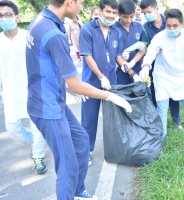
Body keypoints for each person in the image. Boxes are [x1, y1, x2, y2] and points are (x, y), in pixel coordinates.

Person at [26, 0, 132, 199]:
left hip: (53, 99)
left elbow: (42, 64)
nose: (82, 7)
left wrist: (64, 85)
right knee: (67, 162)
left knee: (81, 140)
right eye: (81, 3)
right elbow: (76, 83)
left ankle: (77, 191)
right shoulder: (54, 33)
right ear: (69, 2)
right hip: (47, 108)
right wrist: (111, 96)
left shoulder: (41, 20)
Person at [140, 8, 184, 138]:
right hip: (163, 77)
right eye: (168, 26)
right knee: (162, 108)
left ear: (182, 24)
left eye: (175, 26)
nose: (171, 29)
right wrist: (145, 67)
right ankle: (162, 137)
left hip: (182, 76)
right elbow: (150, 55)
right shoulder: (159, 37)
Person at [0, 0, 48, 175]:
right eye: (0, 16)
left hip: (32, 90)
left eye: (7, 14)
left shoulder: (28, 37)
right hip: (10, 93)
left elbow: (41, 62)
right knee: (12, 126)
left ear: (17, 17)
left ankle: (38, 155)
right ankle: (36, 143)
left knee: (37, 125)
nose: (4, 18)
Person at [79, 0, 125, 167]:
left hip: (111, 83)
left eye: (114, 13)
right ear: (100, 11)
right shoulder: (88, 29)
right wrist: (100, 76)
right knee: (89, 120)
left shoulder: (116, 32)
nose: (111, 16)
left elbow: (117, 55)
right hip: (91, 83)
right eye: (108, 12)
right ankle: (86, 152)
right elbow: (87, 56)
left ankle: (114, 150)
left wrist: (126, 66)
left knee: (112, 118)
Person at [140, 0, 182, 130]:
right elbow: (145, 48)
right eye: (144, 13)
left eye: (149, 12)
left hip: (171, 66)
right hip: (155, 68)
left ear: (156, 9)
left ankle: (176, 122)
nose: (147, 15)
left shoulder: (169, 21)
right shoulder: (145, 28)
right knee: (155, 95)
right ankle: (159, 124)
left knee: (174, 96)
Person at [115, 0, 146, 84]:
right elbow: (116, 55)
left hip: (136, 66)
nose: (128, 20)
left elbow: (142, 49)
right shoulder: (113, 29)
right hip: (120, 70)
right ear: (119, 14)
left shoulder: (138, 26)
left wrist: (132, 62)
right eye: (125, 17)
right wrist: (133, 74)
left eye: (131, 16)